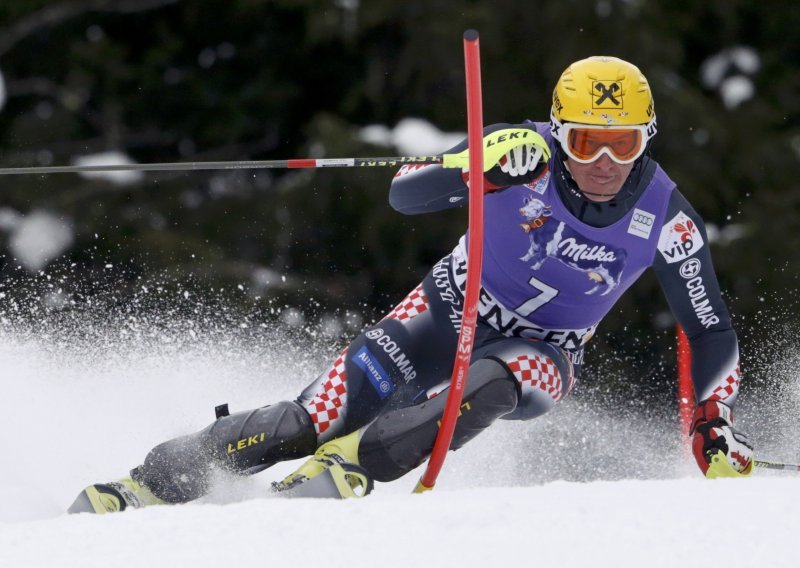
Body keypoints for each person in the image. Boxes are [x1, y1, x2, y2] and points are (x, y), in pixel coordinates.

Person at [69, 56, 754, 514]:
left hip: (544, 353)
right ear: (557, 127)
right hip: (440, 311)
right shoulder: (520, 149)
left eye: (625, 144)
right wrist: (476, 170)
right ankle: (148, 484)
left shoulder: (665, 217)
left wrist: (711, 422)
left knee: (486, 384)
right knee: (307, 422)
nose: (604, 162)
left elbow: (709, 327)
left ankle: (352, 469)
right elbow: (405, 194)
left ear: (648, 138)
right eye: (584, 143)